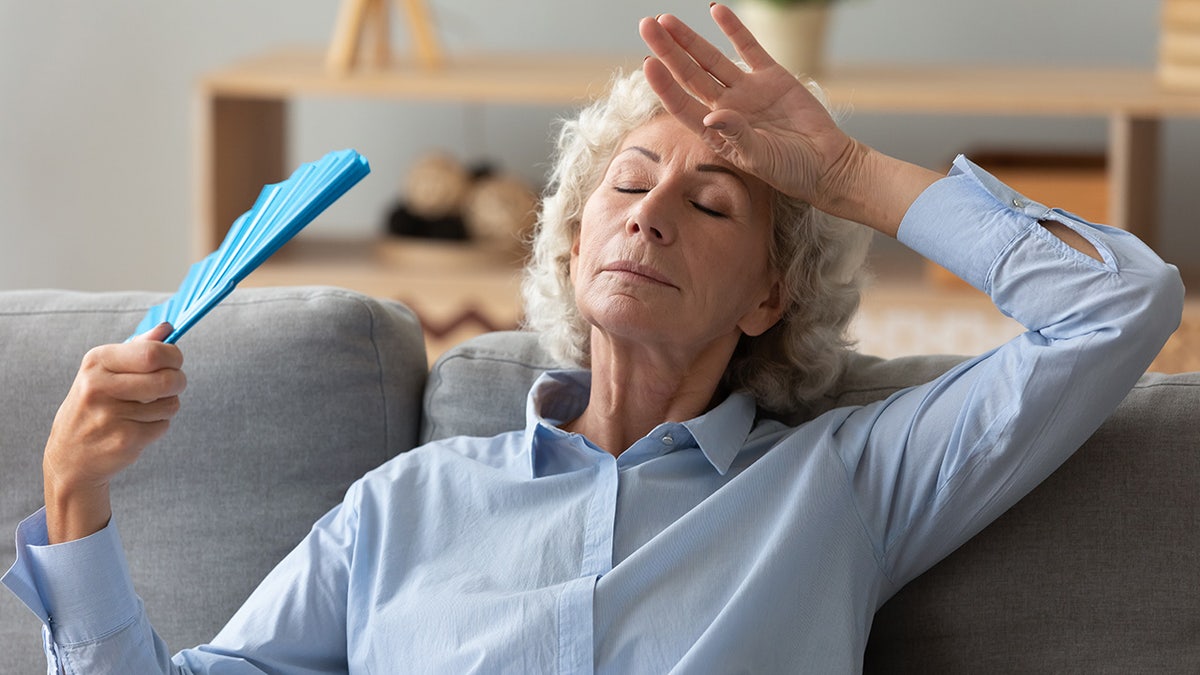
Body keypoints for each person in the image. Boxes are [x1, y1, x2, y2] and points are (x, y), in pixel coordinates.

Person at [3, 4, 1184, 673]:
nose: (652, 213)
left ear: (769, 296)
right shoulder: (401, 509)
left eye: (711, 202)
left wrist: (837, 171)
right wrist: (77, 500)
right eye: (625, 189)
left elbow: (1117, 307)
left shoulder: (845, 486)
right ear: (573, 247)